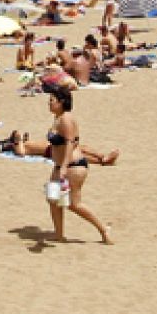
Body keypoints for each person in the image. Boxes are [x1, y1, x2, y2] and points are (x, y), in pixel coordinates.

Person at [45, 88, 112, 244]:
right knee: (53, 198)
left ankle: (103, 229)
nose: (49, 102)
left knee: (74, 204)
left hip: (71, 166)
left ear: (62, 102)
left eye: (52, 100)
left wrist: (63, 167)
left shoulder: (66, 119)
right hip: (61, 166)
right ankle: (59, 234)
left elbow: (69, 143)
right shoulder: (58, 118)